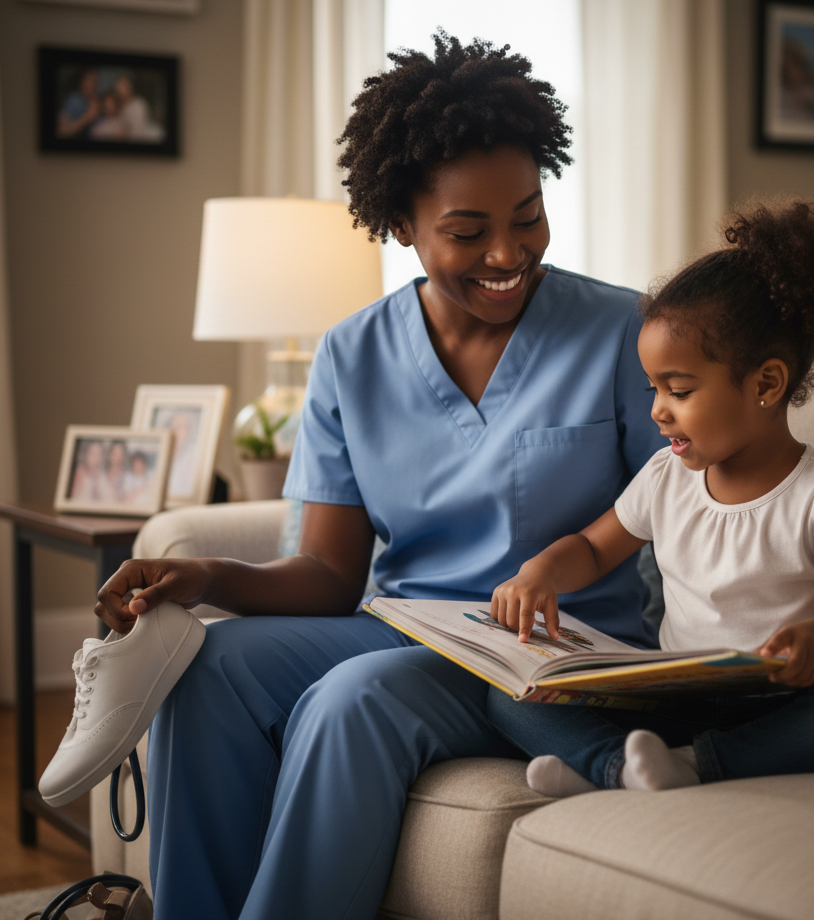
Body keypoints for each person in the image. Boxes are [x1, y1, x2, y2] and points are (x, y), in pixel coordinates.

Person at [93, 33, 663, 920]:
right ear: (401, 225)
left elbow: (694, 507)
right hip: (408, 629)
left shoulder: (624, 329)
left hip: (554, 653)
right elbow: (327, 574)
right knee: (204, 667)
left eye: (529, 216)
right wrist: (202, 578)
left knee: (349, 703)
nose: (510, 254)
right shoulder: (351, 353)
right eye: (469, 232)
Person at [485, 199, 814, 798]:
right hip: (675, 698)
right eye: (653, 387)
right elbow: (592, 548)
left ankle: (686, 767)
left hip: (779, 702)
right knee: (508, 690)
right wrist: (542, 570)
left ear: (765, 384)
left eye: (678, 390)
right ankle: (615, 767)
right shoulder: (667, 476)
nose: (657, 409)